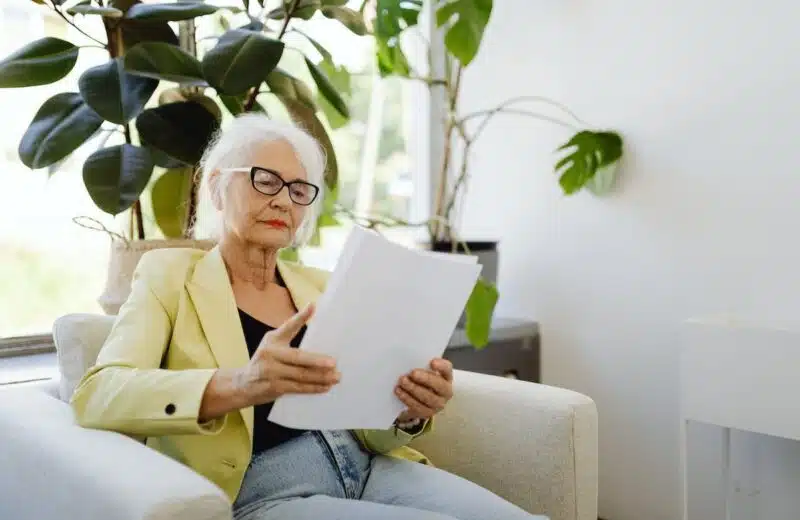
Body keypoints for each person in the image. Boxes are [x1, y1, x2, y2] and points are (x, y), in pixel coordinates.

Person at [70, 114, 548, 520]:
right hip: (265, 490)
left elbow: (368, 423)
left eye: (300, 190)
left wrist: (406, 409)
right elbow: (98, 395)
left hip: (367, 465)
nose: (284, 200)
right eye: (265, 180)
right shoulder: (168, 274)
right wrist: (243, 383)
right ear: (216, 187)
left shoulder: (322, 285)